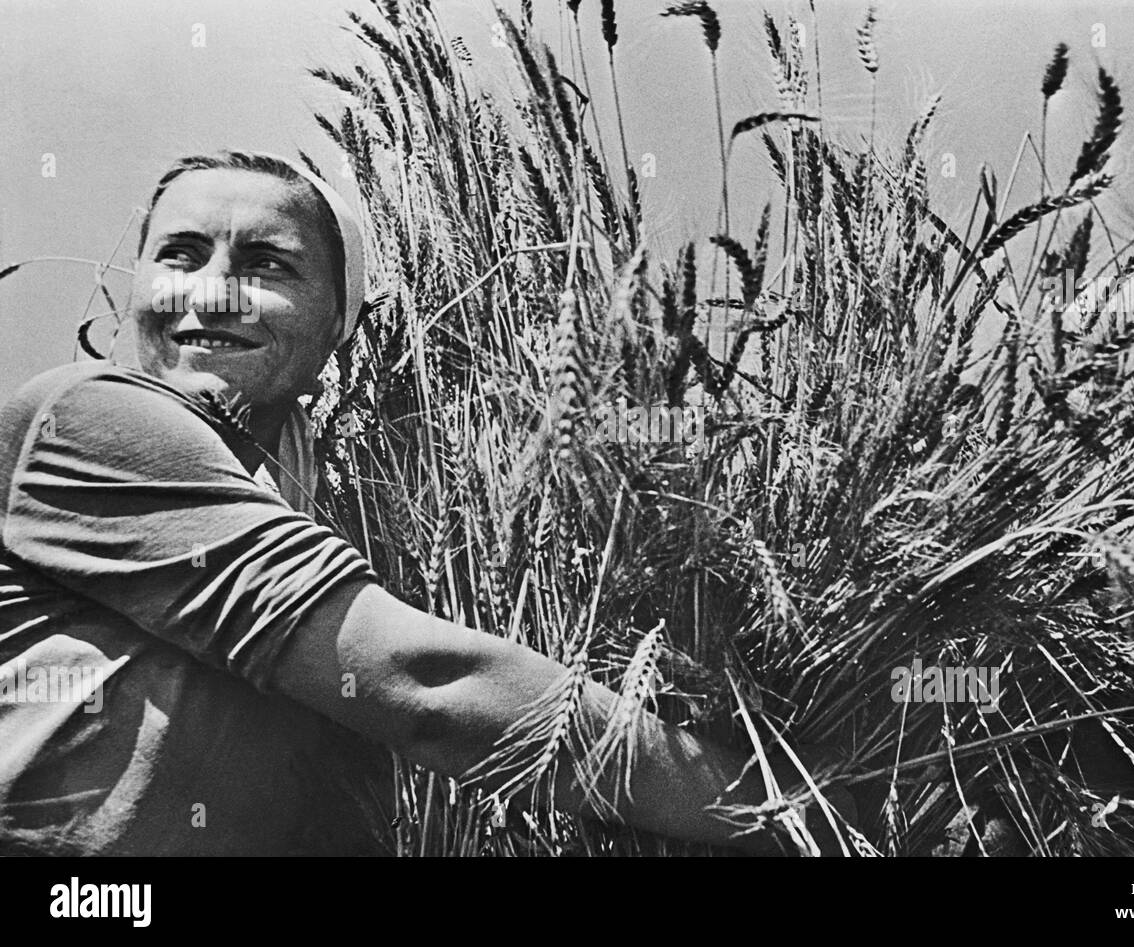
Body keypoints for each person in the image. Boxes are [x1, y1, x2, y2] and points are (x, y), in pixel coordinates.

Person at [0, 150, 849, 856]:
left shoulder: (345, 531)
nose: (214, 291)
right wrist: (787, 809)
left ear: (339, 321)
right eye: (179, 255)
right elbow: (428, 687)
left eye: (266, 264)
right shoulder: (86, 413)